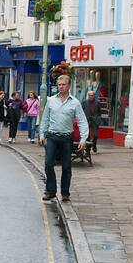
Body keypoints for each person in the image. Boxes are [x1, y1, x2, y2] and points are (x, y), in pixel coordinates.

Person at [38, 74, 89, 203]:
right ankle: (51, 191)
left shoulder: (75, 103)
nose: (60, 87)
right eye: (59, 85)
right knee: (49, 164)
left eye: (63, 84)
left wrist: (83, 139)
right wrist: (42, 134)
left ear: (69, 86)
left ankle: (65, 193)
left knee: (66, 167)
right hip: (53, 136)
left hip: (67, 138)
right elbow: (45, 118)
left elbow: (82, 121)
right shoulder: (51, 101)